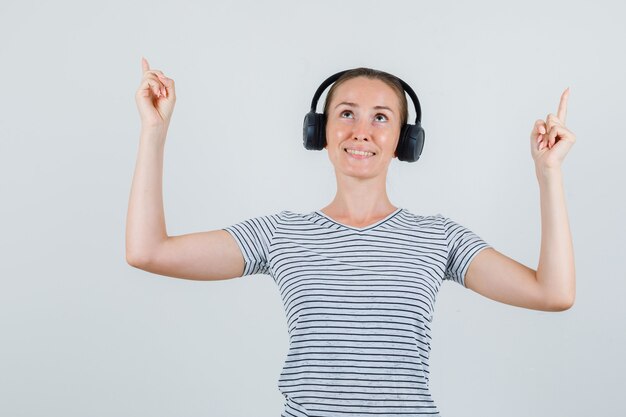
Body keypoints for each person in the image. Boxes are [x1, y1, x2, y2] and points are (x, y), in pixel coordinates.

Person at [126, 57, 576, 416]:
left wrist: (548, 174)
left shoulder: (438, 238)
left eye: (381, 117)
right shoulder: (281, 234)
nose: (362, 130)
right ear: (319, 131)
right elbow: (148, 252)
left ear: (405, 140)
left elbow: (552, 292)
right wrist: (154, 132)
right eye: (346, 114)